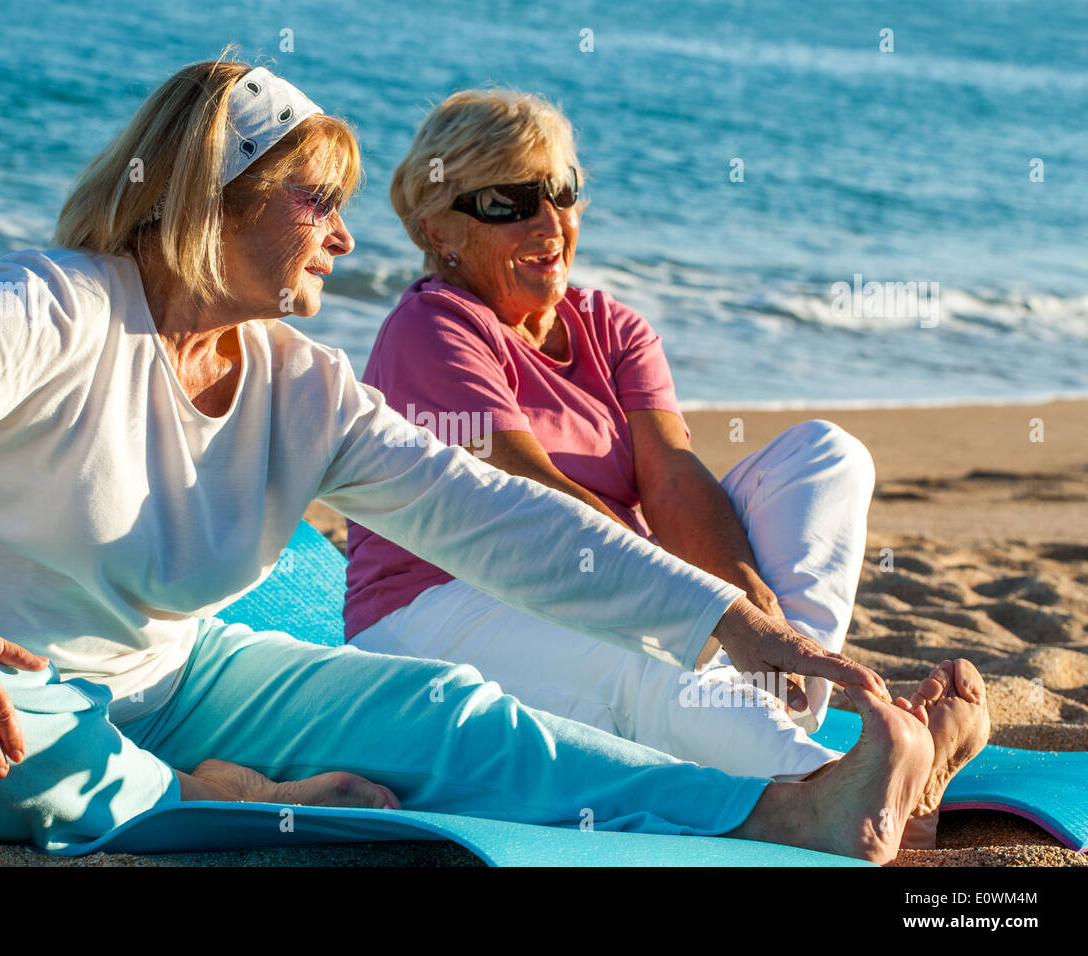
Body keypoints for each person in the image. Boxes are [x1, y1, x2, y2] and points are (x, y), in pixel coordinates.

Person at [0, 57, 982, 862]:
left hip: (176, 677)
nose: (349, 236)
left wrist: (730, 622)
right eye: (318, 202)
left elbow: (492, 517)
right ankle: (220, 798)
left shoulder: (299, 386)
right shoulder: (56, 309)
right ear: (216, 196)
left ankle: (782, 811)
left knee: (446, 707)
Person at [344, 88, 988, 841]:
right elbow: (531, 499)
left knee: (827, 456)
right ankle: (844, 793)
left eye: (562, 192)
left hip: (604, 585)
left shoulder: (609, 325)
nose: (549, 222)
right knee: (641, 653)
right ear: (438, 231)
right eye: (506, 203)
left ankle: (795, 698)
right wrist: (697, 613)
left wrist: (759, 614)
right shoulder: (435, 325)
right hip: (444, 604)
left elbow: (674, 478)